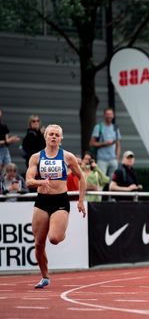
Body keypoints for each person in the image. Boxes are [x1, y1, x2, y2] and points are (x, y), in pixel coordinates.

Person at [25, 124, 86, 289]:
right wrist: (40, 182)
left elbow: (82, 178)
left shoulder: (67, 157)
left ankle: (61, 231)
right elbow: (28, 180)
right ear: (45, 136)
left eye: (57, 135)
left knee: (54, 238)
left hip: (60, 200)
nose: (53, 137)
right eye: (51, 134)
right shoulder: (36, 157)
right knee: (38, 243)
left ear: (61, 138)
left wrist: (80, 201)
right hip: (42, 201)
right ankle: (45, 277)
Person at [89, 107, 121, 180]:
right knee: (100, 182)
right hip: (102, 159)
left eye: (111, 114)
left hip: (113, 160)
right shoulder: (98, 127)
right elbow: (91, 143)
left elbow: (118, 145)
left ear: (113, 115)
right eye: (107, 114)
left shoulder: (115, 128)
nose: (109, 116)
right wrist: (105, 143)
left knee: (113, 183)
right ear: (104, 115)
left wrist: (117, 159)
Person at [0, 109, 21, 174]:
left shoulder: (4, 126)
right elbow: (6, 141)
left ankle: (4, 183)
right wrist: (7, 141)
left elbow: (7, 141)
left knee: (8, 169)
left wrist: (11, 140)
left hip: (4, 149)